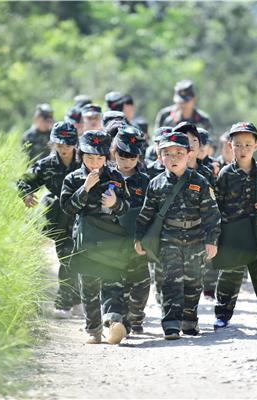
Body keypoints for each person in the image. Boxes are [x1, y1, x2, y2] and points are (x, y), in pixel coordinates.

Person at [134, 132, 221, 340]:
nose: (173, 158)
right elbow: (146, 213)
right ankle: (171, 324)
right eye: (168, 154)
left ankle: (189, 320)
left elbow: (212, 214)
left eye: (179, 153)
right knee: (170, 281)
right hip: (168, 239)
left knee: (193, 282)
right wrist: (138, 237)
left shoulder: (200, 182)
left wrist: (212, 240)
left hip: (196, 239)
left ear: (189, 154)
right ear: (160, 156)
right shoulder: (156, 184)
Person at [213, 122, 257, 331]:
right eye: (237, 145)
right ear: (230, 146)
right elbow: (217, 202)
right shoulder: (226, 174)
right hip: (233, 235)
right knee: (230, 275)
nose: (242, 149)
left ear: (256, 146)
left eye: (247, 144)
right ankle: (223, 315)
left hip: (256, 233)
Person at [60, 130, 130, 344]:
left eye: (99, 157)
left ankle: (114, 324)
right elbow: (67, 209)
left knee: (113, 285)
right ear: (81, 155)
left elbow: (127, 208)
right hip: (86, 241)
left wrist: (115, 204)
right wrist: (85, 189)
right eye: (90, 157)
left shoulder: (116, 177)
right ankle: (93, 330)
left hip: (111, 239)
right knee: (89, 286)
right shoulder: (73, 178)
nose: (95, 162)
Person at [17, 121, 82, 319]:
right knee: (67, 259)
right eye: (59, 145)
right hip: (60, 220)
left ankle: (77, 301)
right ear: (53, 144)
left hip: (82, 218)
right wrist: (26, 194)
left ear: (75, 144)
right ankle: (64, 304)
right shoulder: (47, 164)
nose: (63, 149)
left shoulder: (84, 162)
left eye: (67, 145)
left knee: (80, 259)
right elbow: (24, 181)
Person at [112, 126, 151, 334]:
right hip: (112, 242)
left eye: (132, 157)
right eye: (123, 156)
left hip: (137, 241)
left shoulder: (145, 181)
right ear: (114, 153)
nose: (127, 162)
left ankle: (135, 316)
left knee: (142, 283)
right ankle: (118, 322)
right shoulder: (105, 177)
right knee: (115, 285)